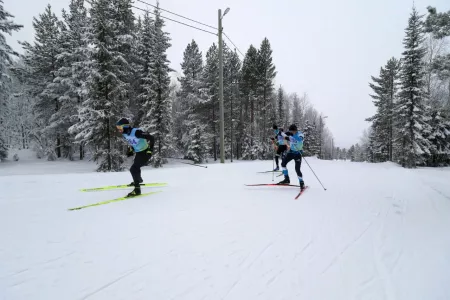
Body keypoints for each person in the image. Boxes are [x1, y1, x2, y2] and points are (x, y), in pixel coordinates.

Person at [116, 118, 155, 197]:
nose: (119, 130)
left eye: (120, 128)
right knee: (136, 166)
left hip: (145, 152)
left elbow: (151, 138)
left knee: (133, 169)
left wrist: (150, 150)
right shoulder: (125, 134)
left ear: (125, 126)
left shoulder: (137, 132)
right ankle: (138, 180)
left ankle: (137, 190)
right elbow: (132, 142)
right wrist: (131, 149)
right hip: (139, 153)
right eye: (118, 128)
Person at [278, 124, 306, 190]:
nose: (291, 132)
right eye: (290, 131)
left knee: (297, 169)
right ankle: (286, 179)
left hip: (298, 153)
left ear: (295, 130)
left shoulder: (300, 134)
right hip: (291, 152)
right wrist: (280, 133)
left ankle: (301, 182)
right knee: (283, 164)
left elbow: (299, 139)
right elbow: (281, 137)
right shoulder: (290, 133)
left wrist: (290, 137)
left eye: (292, 131)